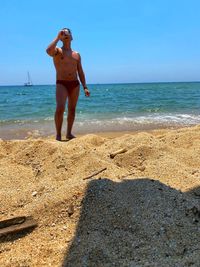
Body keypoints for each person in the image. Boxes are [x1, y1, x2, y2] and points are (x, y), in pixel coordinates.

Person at [46, 28, 90, 141]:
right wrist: (57, 37)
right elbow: (48, 51)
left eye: (67, 32)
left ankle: (69, 133)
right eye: (63, 33)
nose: (65, 34)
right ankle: (58, 135)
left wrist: (85, 87)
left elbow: (80, 71)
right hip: (62, 83)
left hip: (75, 84)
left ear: (72, 37)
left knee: (72, 109)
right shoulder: (57, 51)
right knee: (60, 108)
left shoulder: (77, 54)